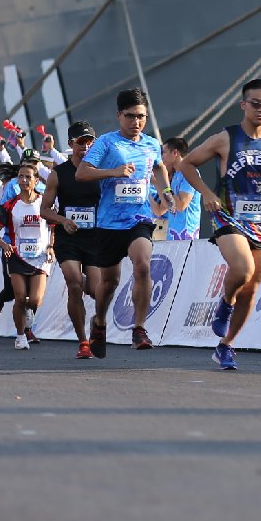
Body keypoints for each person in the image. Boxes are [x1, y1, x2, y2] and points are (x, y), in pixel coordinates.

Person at [176, 78, 261, 371]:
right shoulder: (226, 138)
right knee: (243, 269)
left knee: (253, 286)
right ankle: (226, 302)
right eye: (255, 104)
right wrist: (206, 193)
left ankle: (226, 346)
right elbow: (185, 164)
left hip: (260, 221)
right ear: (243, 105)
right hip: (227, 215)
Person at [75, 89, 172, 351]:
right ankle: (99, 321)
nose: (136, 122)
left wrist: (166, 192)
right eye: (130, 116)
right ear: (119, 115)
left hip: (139, 218)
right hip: (108, 223)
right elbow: (82, 173)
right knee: (109, 283)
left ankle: (139, 329)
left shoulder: (151, 144)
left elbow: (159, 167)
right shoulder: (106, 143)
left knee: (142, 265)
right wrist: (114, 172)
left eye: (141, 117)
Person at [40, 121, 104, 358]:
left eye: (89, 142)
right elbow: (44, 209)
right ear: (70, 144)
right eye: (80, 142)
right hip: (69, 238)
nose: (85, 147)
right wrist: (62, 220)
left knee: (97, 290)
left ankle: (89, 287)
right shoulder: (59, 174)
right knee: (74, 284)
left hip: (95, 238)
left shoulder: (100, 171)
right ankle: (83, 341)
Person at [0, 159, 52, 351]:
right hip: (17, 256)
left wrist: (51, 247)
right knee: (19, 297)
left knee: (35, 300)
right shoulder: (9, 205)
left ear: (37, 180)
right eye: (21, 177)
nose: (24, 180)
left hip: (40, 256)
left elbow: (53, 228)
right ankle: (20, 336)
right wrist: (5, 245)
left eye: (28, 177)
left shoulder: (45, 202)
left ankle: (28, 315)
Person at [157, 136, 202, 241]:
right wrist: (157, 183)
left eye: (164, 152)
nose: (162, 156)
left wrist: (165, 185)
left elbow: (181, 205)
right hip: (172, 234)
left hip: (186, 234)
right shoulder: (176, 175)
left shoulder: (189, 172)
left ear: (175, 153)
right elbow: (168, 205)